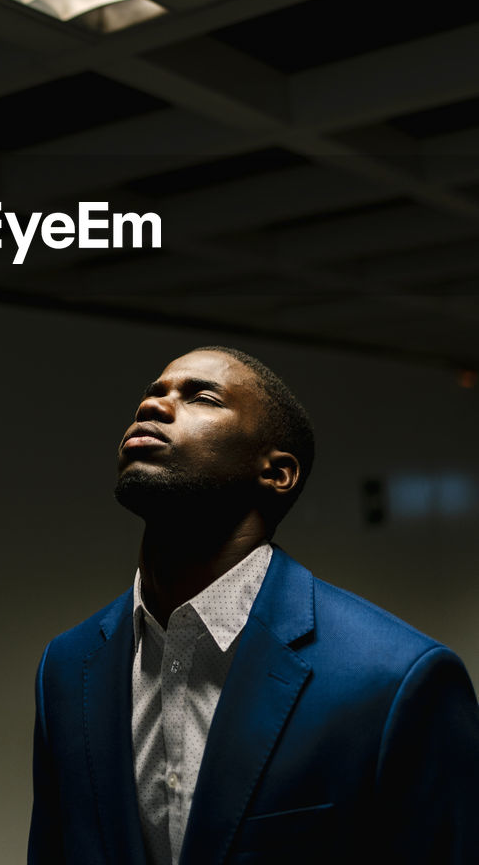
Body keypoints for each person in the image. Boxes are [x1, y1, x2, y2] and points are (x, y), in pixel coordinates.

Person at [28, 345, 479, 865]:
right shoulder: (66, 667)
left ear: (276, 471)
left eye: (202, 397)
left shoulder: (397, 680)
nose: (153, 406)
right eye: (153, 393)